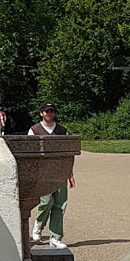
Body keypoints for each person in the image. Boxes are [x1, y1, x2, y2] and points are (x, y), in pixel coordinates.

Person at [28, 103, 74, 248]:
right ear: (41, 113)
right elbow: (30, 153)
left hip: (60, 171)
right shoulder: (34, 130)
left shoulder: (62, 131)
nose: (49, 113)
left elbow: (68, 154)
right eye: (46, 111)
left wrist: (70, 173)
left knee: (60, 205)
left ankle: (56, 237)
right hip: (43, 173)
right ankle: (38, 225)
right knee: (46, 202)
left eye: (51, 111)